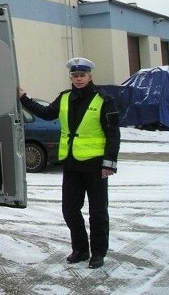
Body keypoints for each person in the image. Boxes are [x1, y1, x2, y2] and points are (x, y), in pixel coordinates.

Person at [19, 57, 120, 269]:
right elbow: (46, 114)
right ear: (71, 77)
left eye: (82, 75)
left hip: (95, 166)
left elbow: (113, 133)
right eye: (75, 76)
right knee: (70, 210)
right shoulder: (64, 97)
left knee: (98, 213)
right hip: (72, 165)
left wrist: (109, 163)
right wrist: (24, 99)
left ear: (90, 76)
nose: (79, 79)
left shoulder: (104, 100)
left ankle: (98, 252)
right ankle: (81, 249)